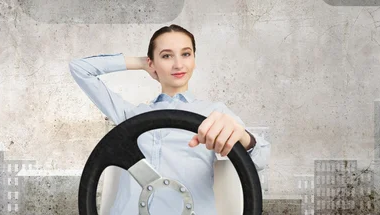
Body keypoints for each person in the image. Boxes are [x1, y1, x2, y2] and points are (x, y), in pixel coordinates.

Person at [69, 24, 271, 214]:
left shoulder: (214, 113)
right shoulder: (129, 115)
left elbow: (261, 158)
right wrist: (140, 63)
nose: (178, 64)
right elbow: (80, 69)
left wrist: (243, 137)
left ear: (194, 59)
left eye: (186, 54)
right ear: (152, 63)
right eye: (166, 56)